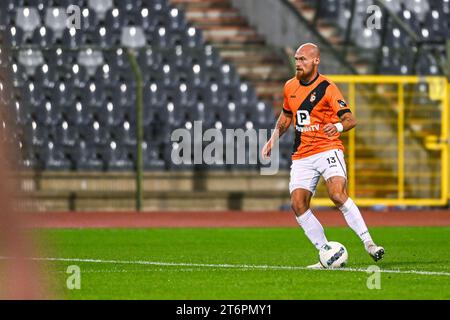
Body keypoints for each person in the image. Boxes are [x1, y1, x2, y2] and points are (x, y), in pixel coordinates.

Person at [262, 43, 384, 268]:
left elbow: (350, 120)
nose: (298, 64)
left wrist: (336, 127)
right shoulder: (290, 86)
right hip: (302, 155)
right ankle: (327, 253)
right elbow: (286, 116)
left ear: (316, 61)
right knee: (298, 203)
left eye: (302, 60)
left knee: (337, 194)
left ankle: (369, 243)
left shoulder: (328, 88)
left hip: (328, 148)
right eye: (296, 60)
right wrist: (272, 140)